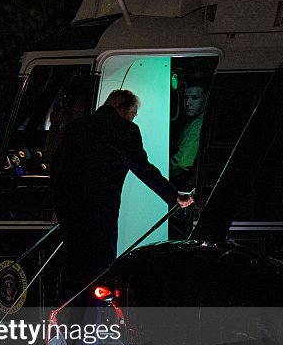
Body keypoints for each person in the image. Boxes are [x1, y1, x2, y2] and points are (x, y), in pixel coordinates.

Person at [50, 89, 194, 301]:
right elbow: (143, 169)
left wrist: (60, 209)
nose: (132, 118)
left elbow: (57, 169)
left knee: (74, 274)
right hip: (100, 219)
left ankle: (66, 326)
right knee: (99, 276)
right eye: (132, 114)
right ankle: (90, 328)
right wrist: (173, 196)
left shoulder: (76, 127)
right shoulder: (124, 130)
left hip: (70, 215)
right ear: (122, 107)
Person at [170, 84, 208, 191]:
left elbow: (183, 163)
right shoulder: (193, 121)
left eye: (194, 98)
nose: (188, 103)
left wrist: (165, 172)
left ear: (206, 99)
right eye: (186, 98)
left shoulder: (199, 124)